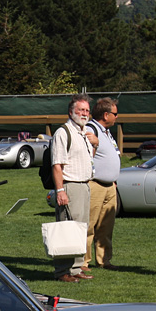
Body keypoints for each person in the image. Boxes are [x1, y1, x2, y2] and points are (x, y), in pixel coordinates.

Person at [51, 94, 98, 283]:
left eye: (87, 110)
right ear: (71, 112)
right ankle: (62, 271)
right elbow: (56, 165)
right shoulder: (63, 132)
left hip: (85, 185)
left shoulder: (84, 132)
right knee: (67, 229)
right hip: (70, 186)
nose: (85, 114)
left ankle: (76, 268)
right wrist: (60, 190)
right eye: (81, 110)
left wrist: (95, 143)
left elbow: (87, 159)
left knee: (81, 229)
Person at [85, 97, 121, 271]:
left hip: (109, 186)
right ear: (106, 115)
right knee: (89, 225)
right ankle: (83, 262)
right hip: (95, 184)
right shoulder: (91, 130)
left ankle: (104, 260)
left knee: (106, 226)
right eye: (115, 113)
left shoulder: (106, 132)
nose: (117, 117)